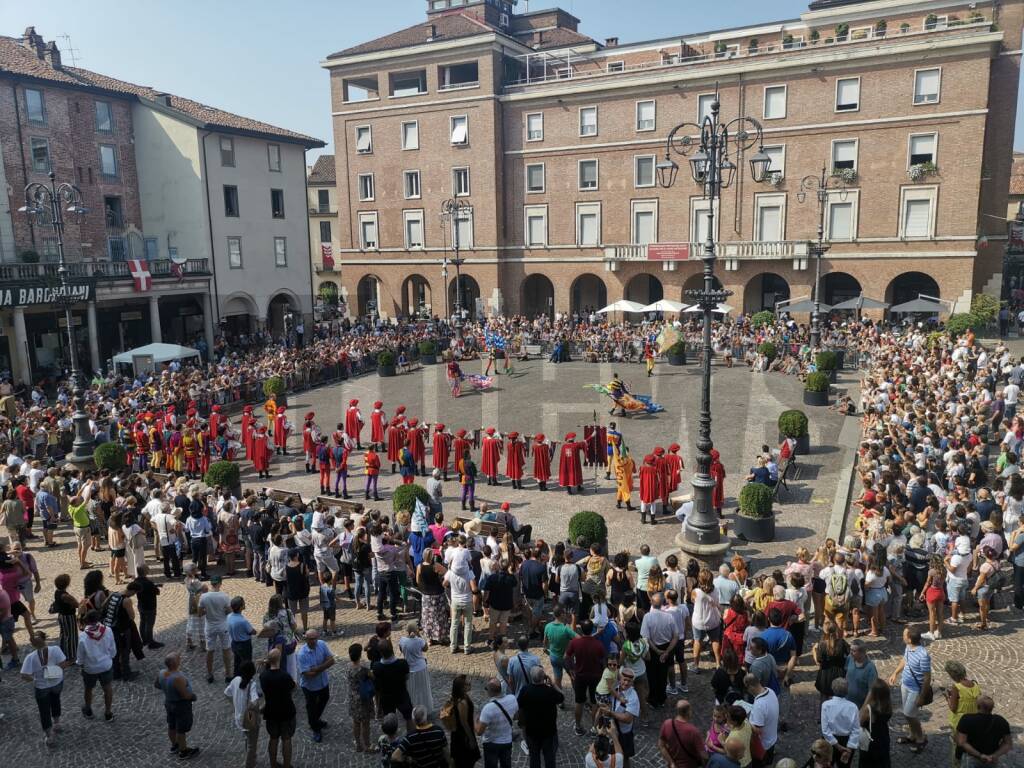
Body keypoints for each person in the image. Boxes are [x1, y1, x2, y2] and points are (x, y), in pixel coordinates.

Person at [20, 630, 70, 747]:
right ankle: (57, 723)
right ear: (45, 638)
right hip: (57, 683)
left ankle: (49, 736)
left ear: (32, 644)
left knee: (44, 710)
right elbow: (63, 663)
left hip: (41, 687)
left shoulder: (30, 657)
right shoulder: (56, 649)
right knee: (56, 700)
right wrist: (53, 671)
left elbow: (24, 675)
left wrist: (34, 679)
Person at [887, 626, 931, 753]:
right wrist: (895, 673)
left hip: (915, 690)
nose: (903, 636)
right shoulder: (908, 647)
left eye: (905, 635)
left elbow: (927, 677)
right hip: (905, 685)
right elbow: (905, 660)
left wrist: (922, 696)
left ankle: (921, 738)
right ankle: (912, 735)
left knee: (909, 713)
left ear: (910, 640)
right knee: (909, 714)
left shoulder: (923, 655)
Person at [155, 651, 200, 760]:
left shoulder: (161, 673)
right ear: (175, 663)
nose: (180, 659)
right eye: (179, 658)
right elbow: (185, 695)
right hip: (180, 706)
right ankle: (183, 751)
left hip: (169, 703)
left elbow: (157, 685)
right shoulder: (177, 678)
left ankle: (174, 745)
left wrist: (167, 690)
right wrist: (193, 696)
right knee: (181, 729)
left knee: (171, 725)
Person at [565, 618, 606, 736]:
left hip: (580, 676)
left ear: (581, 629)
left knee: (579, 702)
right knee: (594, 702)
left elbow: (567, 657)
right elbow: (603, 661)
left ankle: (578, 726)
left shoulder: (575, 642)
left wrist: (571, 669)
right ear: (592, 629)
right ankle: (594, 727)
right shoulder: (598, 644)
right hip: (595, 676)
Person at [517, 665, 564, 768]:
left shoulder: (525, 690)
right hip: (548, 731)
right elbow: (562, 696)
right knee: (549, 758)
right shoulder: (550, 692)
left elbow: (518, 705)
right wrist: (553, 684)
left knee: (534, 757)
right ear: (544, 678)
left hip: (532, 731)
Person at [260, 647, 297, 768]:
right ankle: (287, 765)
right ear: (279, 659)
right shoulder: (285, 676)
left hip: (271, 711)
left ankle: (273, 764)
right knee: (286, 739)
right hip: (286, 711)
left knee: (273, 738)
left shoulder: (263, 676)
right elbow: (293, 686)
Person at [77, 608, 116, 721]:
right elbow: (112, 648)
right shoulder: (108, 630)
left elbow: (80, 655)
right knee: (107, 688)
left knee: (88, 688)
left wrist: (80, 664)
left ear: (87, 621)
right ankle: (108, 713)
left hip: (90, 668)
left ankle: (88, 710)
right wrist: (110, 657)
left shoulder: (83, 636)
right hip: (105, 665)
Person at [296, 628, 334, 742]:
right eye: (311, 639)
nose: (314, 641)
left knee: (324, 699)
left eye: (315, 638)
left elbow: (331, 660)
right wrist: (324, 665)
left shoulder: (322, 644)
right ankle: (315, 728)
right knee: (311, 707)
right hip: (310, 686)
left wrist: (317, 668)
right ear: (306, 639)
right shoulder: (302, 654)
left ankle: (314, 720)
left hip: (323, 682)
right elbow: (308, 674)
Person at [225, 660, 263, 768]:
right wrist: (257, 709)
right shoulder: (252, 684)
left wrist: (236, 705)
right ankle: (249, 764)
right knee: (252, 745)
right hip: (249, 718)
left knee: (247, 738)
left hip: (239, 718)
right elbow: (254, 702)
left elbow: (227, 693)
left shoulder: (236, 680)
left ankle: (251, 759)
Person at [956, 695, 1012, 767]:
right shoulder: (1001, 721)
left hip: (971, 758)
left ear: (978, 706)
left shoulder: (967, 719)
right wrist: (995, 755)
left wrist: (980, 755)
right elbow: (1008, 744)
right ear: (992, 708)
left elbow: (961, 742)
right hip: (991, 759)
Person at [476, 677, 519, 768]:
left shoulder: (488, 708)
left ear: (490, 691)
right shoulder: (512, 698)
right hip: (507, 741)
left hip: (491, 743)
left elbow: (479, 732)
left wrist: (474, 722)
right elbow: (516, 717)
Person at [198, 574, 233, 684]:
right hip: (223, 625)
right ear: (220, 583)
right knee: (226, 649)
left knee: (210, 651)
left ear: (211, 584)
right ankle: (228, 674)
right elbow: (229, 611)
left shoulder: (204, 597)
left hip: (210, 626)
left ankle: (209, 674)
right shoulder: (224, 596)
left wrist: (208, 611)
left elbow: (199, 613)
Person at [373, 638, 414, 729]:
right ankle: (411, 736)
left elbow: (377, 687)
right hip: (401, 694)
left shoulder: (377, 667)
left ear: (380, 653)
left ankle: (391, 739)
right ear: (392, 649)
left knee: (389, 720)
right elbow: (407, 677)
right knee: (408, 717)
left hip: (386, 697)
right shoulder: (403, 663)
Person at [445, 674, 482, 768]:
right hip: (462, 736)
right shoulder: (462, 703)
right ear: (461, 688)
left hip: (460, 734)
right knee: (465, 761)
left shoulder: (462, 697)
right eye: (466, 684)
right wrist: (471, 739)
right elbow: (464, 723)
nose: (469, 683)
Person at [607, 666, 641, 768]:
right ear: (620, 678)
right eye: (624, 679)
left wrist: (610, 713)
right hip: (610, 729)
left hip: (624, 734)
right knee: (610, 756)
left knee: (624, 757)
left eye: (629, 681)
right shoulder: (614, 688)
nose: (626, 683)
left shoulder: (633, 696)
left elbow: (627, 719)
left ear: (632, 683)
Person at [658, 698, 707, 768]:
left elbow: (661, 746)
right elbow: (703, 755)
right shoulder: (693, 731)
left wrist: (671, 763)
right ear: (689, 712)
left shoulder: (667, 723)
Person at [820, 677, 859, 765]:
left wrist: (836, 745)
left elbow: (825, 730)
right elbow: (856, 730)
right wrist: (849, 748)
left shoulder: (826, 705)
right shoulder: (853, 707)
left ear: (833, 689)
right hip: (847, 741)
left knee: (827, 765)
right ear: (847, 691)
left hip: (829, 742)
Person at [745, 672, 779, 765]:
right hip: (772, 739)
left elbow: (758, 730)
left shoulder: (759, 705)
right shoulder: (770, 691)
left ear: (751, 687)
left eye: (747, 689)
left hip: (763, 745)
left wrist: (746, 722)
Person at [400, 621, 434, 713]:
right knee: (423, 689)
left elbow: (401, 649)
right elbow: (426, 648)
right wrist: (419, 635)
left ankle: (413, 709)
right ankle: (425, 709)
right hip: (420, 668)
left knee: (412, 690)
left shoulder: (402, 640)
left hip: (409, 668)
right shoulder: (419, 641)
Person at [346, 643, 374, 753]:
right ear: (360, 655)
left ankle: (358, 744)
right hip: (364, 698)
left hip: (353, 697)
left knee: (356, 722)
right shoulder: (363, 669)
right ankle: (367, 745)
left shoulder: (348, 666)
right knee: (365, 723)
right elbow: (373, 677)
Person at [858, 679, 892, 768]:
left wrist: (867, 699)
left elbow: (859, 721)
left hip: (871, 741)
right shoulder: (888, 706)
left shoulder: (869, 709)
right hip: (883, 737)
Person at [843, 639, 877, 709]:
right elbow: (846, 674)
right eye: (851, 650)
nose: (851, 652)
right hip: (847, 702)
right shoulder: (850, 658)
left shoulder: (870, 668)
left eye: (854, 651)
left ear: (862, 653)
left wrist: (864, 708)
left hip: (860, 706)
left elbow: (872, 690)